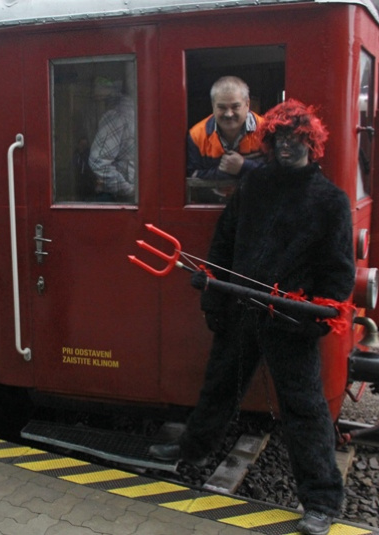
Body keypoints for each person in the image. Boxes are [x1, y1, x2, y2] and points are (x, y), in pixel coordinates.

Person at [149, 99, 355, 535]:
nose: (285, 148)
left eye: (295, 140)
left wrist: (318, 317)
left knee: (304, 410)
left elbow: (338, 274)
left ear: (311, 144)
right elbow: (224, 242)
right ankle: (193, 451)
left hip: (290, 323)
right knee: (219, 385)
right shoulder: (254, 186)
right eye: (278, 139)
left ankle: (321, 501)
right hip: (242, 309)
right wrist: (213, 297)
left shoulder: (330, 201)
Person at [186, 76, 264, 189]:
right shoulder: (196, 136)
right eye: (222, 107)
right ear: (213, 106)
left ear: (247, 104)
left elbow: (279, 172)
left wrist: (244, 166)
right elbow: (191, 175)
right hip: (211, 203)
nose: (228, 114)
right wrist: (225, 172)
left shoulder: (267, 130)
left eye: (235, 107)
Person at [89, 76, 136, 202]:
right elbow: (99, 161)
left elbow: (98, 161)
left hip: (123, 198)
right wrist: (130, 189)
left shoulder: (120, 115)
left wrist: (131, 190)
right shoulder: (125, 113)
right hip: (123, 198)